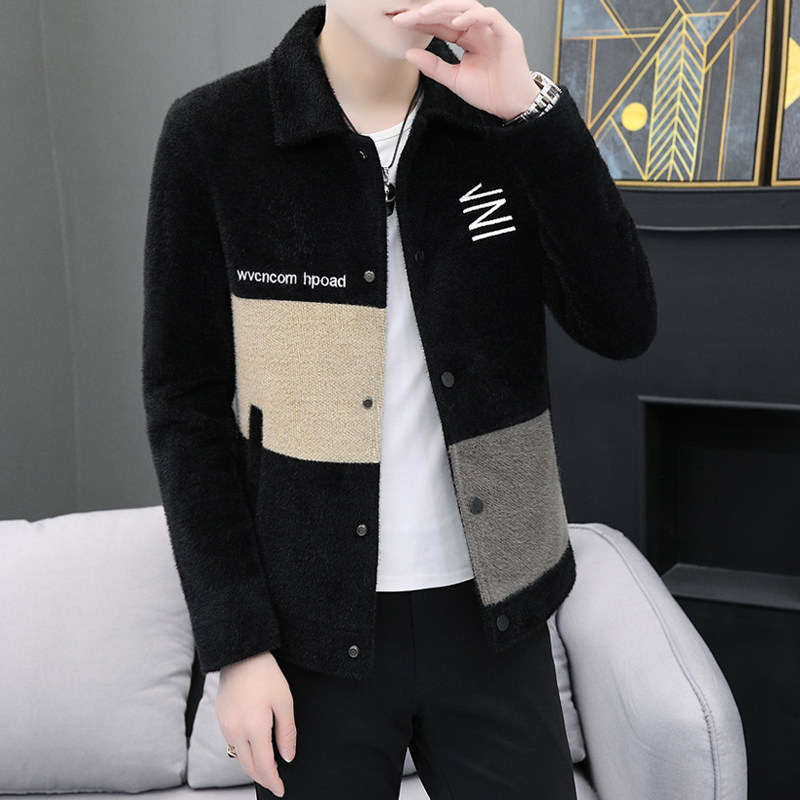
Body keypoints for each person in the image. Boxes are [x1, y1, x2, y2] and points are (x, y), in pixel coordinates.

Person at [142, 1, 657, 798]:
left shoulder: (502, 121)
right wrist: (237, 645)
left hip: (498, 618)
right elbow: (185, 406)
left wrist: (533, 115)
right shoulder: (215, 134)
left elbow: (622, 325)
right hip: (311, 632)